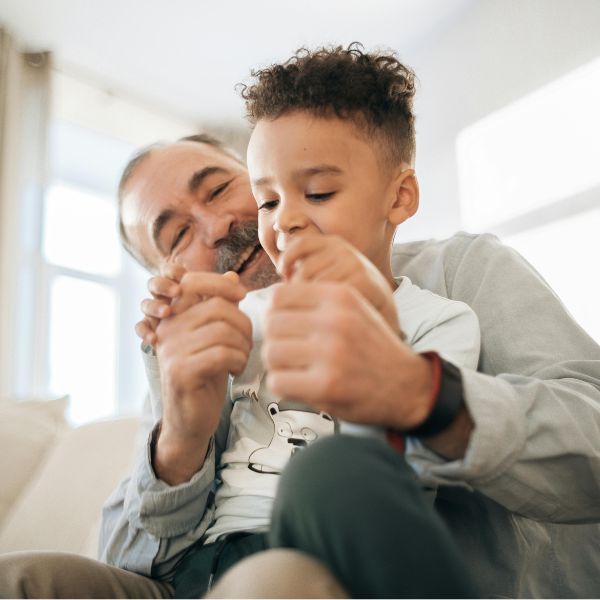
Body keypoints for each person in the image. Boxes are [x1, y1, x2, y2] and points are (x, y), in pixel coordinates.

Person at [1, 45, 599, 599]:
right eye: (178, 234)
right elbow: (126, 564)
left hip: (336, 569)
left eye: (220, 190)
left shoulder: (456, 280)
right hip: (199, 577)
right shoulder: (192, 352)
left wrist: (421, 392)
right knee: (24, 578)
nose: (224, 228)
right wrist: (181, 437)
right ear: (168, 275)